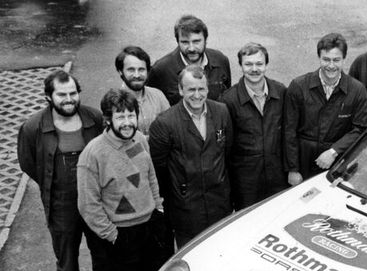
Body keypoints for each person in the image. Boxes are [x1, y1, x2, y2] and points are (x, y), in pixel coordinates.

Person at [77, 89, 164, 271]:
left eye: (131, 115)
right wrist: (112, 235)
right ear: (107, 119)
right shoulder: (94, 154)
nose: (127, 121)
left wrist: (158, 208)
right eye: (120, 116)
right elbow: (88, 204)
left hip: (149, 226)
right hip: (120, 235)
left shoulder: (140, 139)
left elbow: (150, 176)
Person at [17, 70, 113, 271]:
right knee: (67, 261)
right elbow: (29, 163)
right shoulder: (34, 127)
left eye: (73, 93)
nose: (69, 99)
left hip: (96, 200)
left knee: (103, 254)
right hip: (61, 203)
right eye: (62, 94)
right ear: (49, 97)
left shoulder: (93, 118)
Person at [149, 65, 233, 247]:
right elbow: (158, 170)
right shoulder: (164, 123)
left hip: (219, 206)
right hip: (186, 212)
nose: (197, 95)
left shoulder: (221, 112)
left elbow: (227, 154)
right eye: (191, 89)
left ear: (208, 88)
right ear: (180, 90)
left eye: (201, 89)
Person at [284, 32, 367, 185]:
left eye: (336, 60)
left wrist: (334, 151)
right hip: (303, 160)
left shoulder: (357, 90)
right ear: (319, 58)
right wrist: (293, 169)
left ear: (344, 59)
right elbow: (288, 130)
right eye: (326, 59)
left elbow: (361, 128)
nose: (331, 65)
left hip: (336, 163)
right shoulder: (298, 86)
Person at [221, 42, 287, 209]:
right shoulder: (228, 100)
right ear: (241, 66)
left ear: (266, 65)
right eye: (248, 64)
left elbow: (288, 132)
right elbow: (226, 146)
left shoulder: (281, 92)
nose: (254, 69)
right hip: (246, 182)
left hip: (277, 176)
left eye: (259, 64)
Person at [147, 15, 231, 106]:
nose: (191, 48)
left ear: (205, 40)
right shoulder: (161, 70)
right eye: (185, 42)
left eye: (196, 41)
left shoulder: (220, 60)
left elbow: (227, 98)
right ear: (177, 41)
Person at [115, 45, 170, 136]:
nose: (137, 75)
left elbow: (170, 127)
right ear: (120, 71)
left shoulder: (158, 96)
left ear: (148, 71)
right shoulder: (113, 102)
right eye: (131, 70)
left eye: (141, 70)